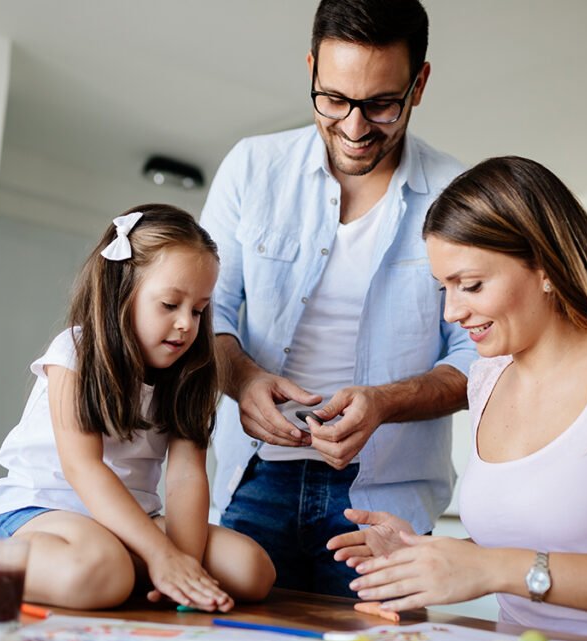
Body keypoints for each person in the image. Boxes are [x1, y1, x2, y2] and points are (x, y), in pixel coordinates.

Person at [327, 157, 587, 641]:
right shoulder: (486, 379)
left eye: (471, 285)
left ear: (545, 266)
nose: (452, 312)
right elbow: (535, 540)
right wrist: (427, 555)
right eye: (444, 288)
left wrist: (494, 569)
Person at [0, 205, 275, 611]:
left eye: (199, 310)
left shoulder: (191, 372)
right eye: (170, 304)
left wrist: (183, 566)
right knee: (103, 572)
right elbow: (84, 469)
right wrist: (159, 556)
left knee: (252, 569)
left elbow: (185, 477)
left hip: (131, 523)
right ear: (123, 293)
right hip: (41, 514)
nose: (186, 324)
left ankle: (134, 573)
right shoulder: (75, 353)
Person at [200, 0, 477, 597]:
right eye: (334, 99)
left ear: (419, 83)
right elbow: (205, 313)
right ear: (311, 70)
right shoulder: (251, 167)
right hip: (252, 478)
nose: (354, 128)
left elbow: (479, 358)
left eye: (381, 104)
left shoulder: (459, 194)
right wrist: (244, 379)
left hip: (386, 502)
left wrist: (385, 403)